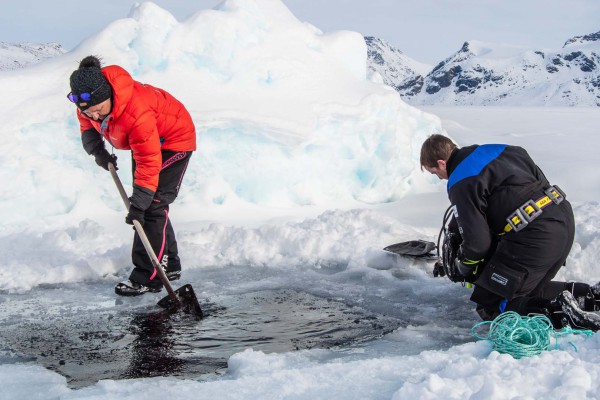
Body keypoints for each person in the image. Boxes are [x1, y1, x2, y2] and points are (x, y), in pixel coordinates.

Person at [420, 134, 600, 330]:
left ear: (441, 163)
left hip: (534, 237)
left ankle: (565, 315)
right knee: (524, 289)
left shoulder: (460, 181)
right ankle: (589, 296)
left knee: (496, 308)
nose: (439, 178)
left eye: (435, 172)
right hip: (561, 219)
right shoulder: (502, 149)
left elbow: (477, 244)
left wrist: (464, 265)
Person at [68, 55, 196, 296]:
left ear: (107, 96)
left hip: (173, 141)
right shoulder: (88, 105)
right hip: (146, 143)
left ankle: (147, 277)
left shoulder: (136, 111)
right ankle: (171, 263)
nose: (94, 117)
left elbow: (149, 160)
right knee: (153, 204)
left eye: (98, 111)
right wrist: (98, 152)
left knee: (152, 206)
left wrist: (139, 203)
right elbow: (88, 128)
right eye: (89, 112)